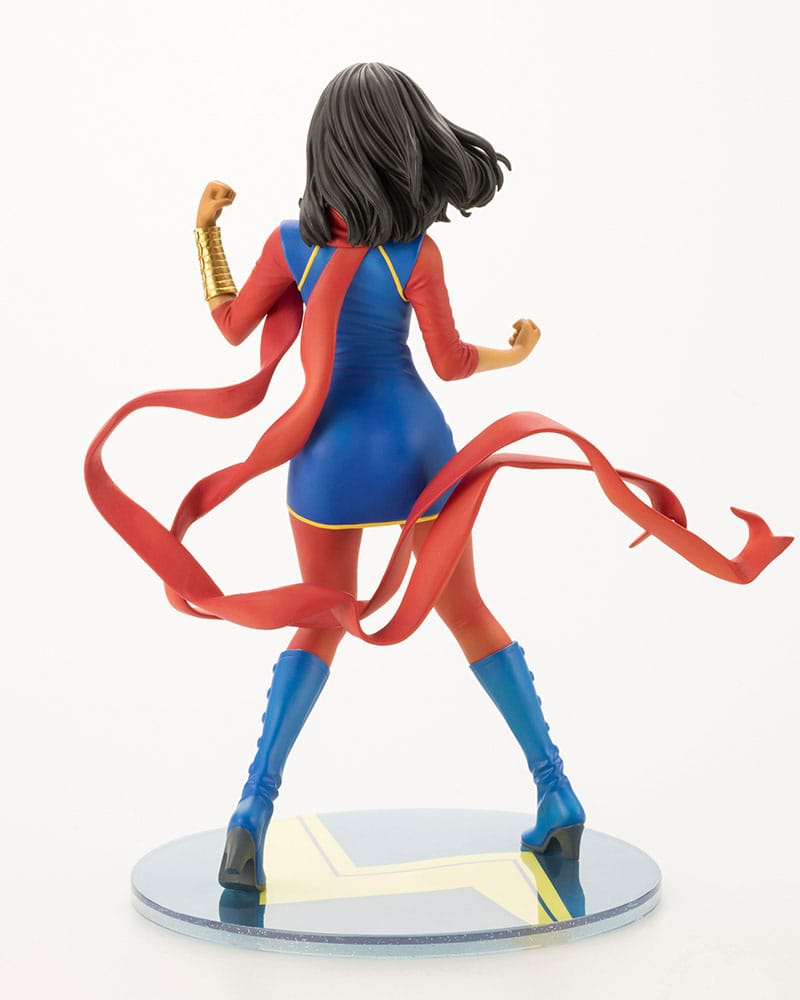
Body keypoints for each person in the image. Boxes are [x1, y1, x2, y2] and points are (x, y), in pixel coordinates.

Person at [85, 63, 791, 895]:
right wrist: (515, 354)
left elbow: (234, 326)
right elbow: (450, 364)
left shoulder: (288, 245)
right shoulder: (415, 253)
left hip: (330, 457)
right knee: (469, 614)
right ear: (405, 144)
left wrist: (205, 234)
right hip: (417, 449)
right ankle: (556, 791)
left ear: (326, 146)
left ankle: (252, 809)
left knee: (318, 624)